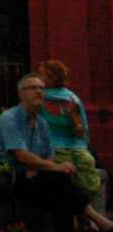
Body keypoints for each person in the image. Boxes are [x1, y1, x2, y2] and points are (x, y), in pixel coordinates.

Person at [0, 71, 92, 232]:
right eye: (33, 88)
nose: (39, 91)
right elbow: (22, 156)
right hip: (12, 179)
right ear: (21, 94)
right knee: (60, 183)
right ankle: (93, 216)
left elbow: (50, 156)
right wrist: (53, 167)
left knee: (61, 192)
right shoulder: (9, 118)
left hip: (36, 178)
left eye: (41, 88)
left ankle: (90, 219)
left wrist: (40, 168)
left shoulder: (42, 123)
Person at [38, 58, 113, 232]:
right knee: (65, 168)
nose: (41, 78)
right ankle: (86, 217)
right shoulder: (38, 98)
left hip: (72, 143)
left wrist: (74, 118)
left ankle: (83, 216)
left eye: (44, 75)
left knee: (87, 162)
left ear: (54, 77)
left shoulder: (70, 99)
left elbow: (80, 131)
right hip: (51, 144)